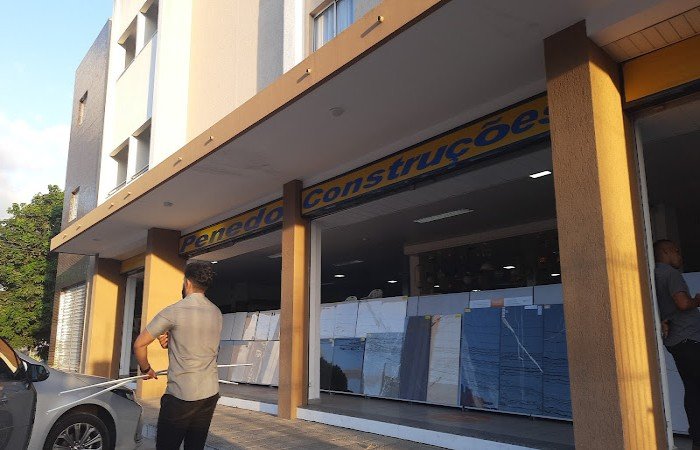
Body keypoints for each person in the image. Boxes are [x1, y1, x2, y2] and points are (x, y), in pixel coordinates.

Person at [133, 261, 222, 450]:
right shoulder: (216, 312)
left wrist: (146, 369)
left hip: (181, 395)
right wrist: (172, 341)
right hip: (209, 393)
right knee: (195, 446)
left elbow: (139, 344)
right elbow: (200, 346)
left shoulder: (174, 311)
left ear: (187, 282)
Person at [654, 239, 700, 449]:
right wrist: (696, 300)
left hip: (675, 340)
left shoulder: (653, 275)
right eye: (677, 252)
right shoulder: (670, 274)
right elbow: (682, 303)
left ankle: (697, 438)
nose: (680, 257)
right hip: (689, 338)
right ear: (666, 251)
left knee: (692, 389)